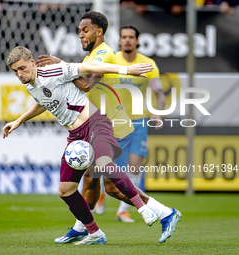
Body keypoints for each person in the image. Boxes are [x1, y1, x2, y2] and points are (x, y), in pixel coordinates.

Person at [36, 11, 182, 244]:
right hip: (99, 125)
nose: (81, 35)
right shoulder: (91, 56)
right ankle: (82, 227)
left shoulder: (103, 53)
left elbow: (84, 84)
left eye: (85, 30)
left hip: (112, 126)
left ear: (99, 31)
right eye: (79, 31)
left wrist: (62, 65)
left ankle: (166, 213)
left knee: (112, 188)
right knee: (90, 179)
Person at [3, 45, 157, 245]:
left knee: (103, 163)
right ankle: (94, 233)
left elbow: (91, 67)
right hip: (75, 136)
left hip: (95, 122)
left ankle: (143, 209)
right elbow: (42, 102)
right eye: (15, 71)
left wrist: (128, 70)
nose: (19, 74)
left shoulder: (53, 70)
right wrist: (18, 121)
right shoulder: (32, 86)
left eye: (22, 68)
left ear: (32, 62)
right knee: (65, 190)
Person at [97, 25, 167, 223]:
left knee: (134, 166)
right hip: (113, 121)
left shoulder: (148, 64)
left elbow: (158, 93)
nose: (127, 40)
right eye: (123, 37)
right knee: (108, 165)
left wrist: (157, 114)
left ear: (137, 41)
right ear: (119, 41)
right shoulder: (111, 60)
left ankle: (123, 210)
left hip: (138, 122)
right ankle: (102, 192)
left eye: (131, 37)